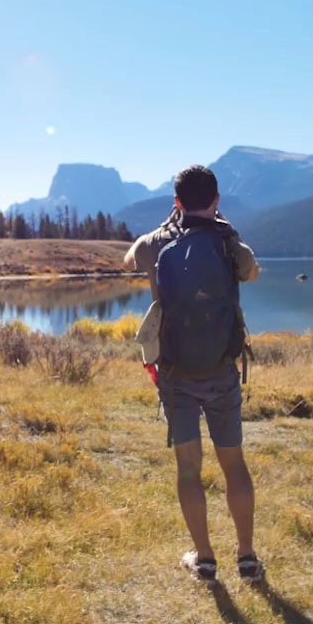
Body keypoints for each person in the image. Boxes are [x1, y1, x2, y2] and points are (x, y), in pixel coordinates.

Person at [124, 164, 263, 584]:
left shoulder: (158, 242)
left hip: (176, 374)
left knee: (188, 467)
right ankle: (246, 558)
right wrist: (225, 230)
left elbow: (129, 262)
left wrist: (164, 228)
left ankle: (204, 560)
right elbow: (252, 272)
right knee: (233, 464)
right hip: (221, 370)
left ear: (177, 202)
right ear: (217, 200)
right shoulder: (228, 242)